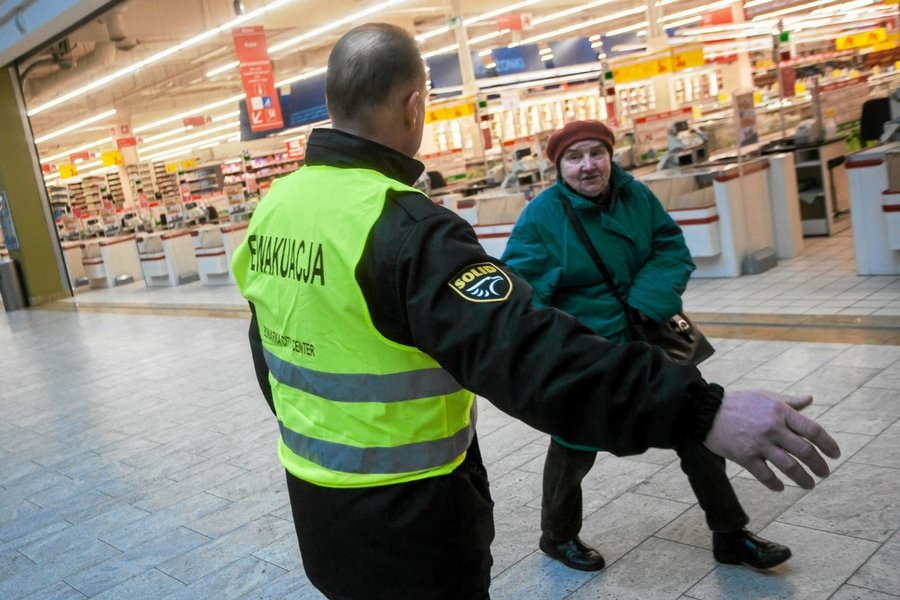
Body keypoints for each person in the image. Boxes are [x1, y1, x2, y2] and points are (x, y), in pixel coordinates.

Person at [231, 23, 840, 600]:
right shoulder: (405, 227)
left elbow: (270, 346)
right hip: (413, 516)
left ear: (332, 101)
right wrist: (701, 409)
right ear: (415, 104)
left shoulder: (275, 208)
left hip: (316, 500)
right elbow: (525, 351)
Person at [502, 119, 792, 573]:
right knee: (574, 444)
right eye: (574, 157)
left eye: (596, 153)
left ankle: (731, 534)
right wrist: (567, 338)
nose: (587, 165)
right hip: (593, 353)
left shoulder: (637, 195)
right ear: (558, 167)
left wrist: (645, 301)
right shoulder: (543, 215)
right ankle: (557, 536)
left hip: (652, 339)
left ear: (610, 156)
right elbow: (522, 288)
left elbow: (669, 247)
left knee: (700, 430)